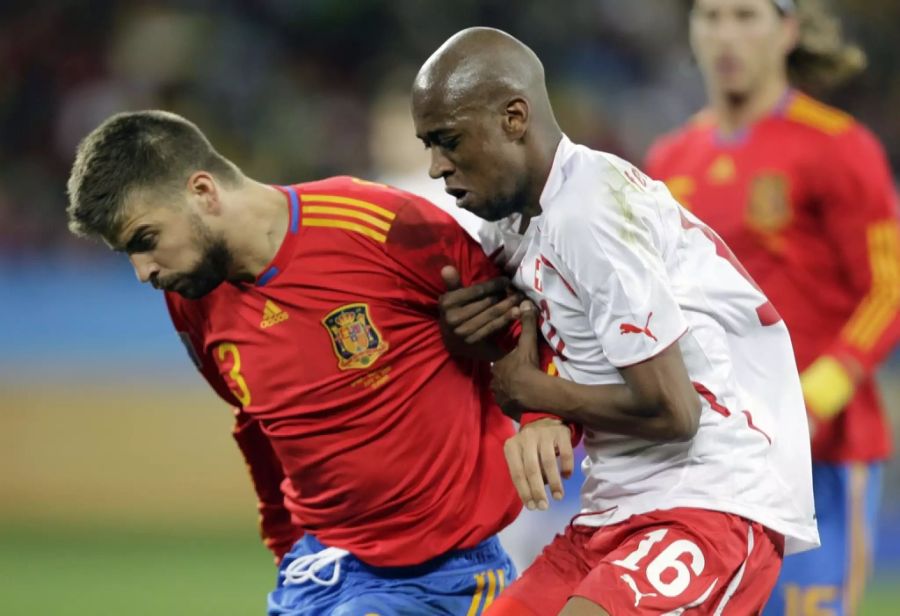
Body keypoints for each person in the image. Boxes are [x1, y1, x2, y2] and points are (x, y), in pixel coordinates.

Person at [64, 109, 573, 615]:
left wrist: (542, 415)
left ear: (203, 191)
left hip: (439, 577)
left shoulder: (378, 224)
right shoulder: (190, 301)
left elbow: (525, 319)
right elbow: (258, 426)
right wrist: (286, 547)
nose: (142, 271)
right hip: (317, 570)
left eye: (145, 240)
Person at [412, 27, 819, 615]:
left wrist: (536, 392)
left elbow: (675, 412)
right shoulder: (515, 226)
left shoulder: (590, 214)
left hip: (714, 497)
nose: (434, 166)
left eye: (448, 141)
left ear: (514, 118)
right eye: (428, 144)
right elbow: (556, 347)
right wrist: (535, 405)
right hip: (614, 509)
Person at [645, 1, 900, 613]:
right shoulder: (669, 162)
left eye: (745, 15)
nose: (725, 35)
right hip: (712, 459)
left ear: (786, 31)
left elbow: (888, 286)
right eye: (710, 17)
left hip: (822, 454)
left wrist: (828, 383)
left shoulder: (838, 147)